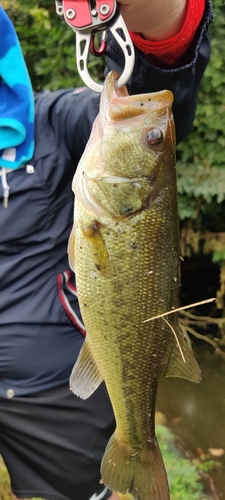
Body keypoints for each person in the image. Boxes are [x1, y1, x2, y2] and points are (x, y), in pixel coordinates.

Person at [0, 0, 212, 499]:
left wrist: (157, 18)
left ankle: (135, 444)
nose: (148, 123)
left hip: (54, 391)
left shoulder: (56, 124)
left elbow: (155, 95)